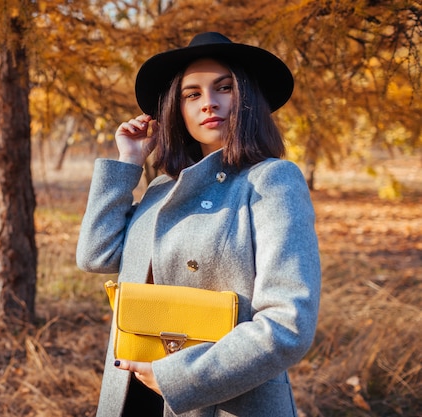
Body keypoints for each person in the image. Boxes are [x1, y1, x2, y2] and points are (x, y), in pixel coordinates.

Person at [76, 31, 321, 417]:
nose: (208, 103)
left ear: (249, 99)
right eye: (192, 94)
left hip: (222, 400)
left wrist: (180, 378)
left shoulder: (271, 180)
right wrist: (128, 163)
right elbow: (96, 255)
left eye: (224, 88)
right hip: (131, 394)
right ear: (178, 108)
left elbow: (288, 323)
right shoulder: (161, 189)